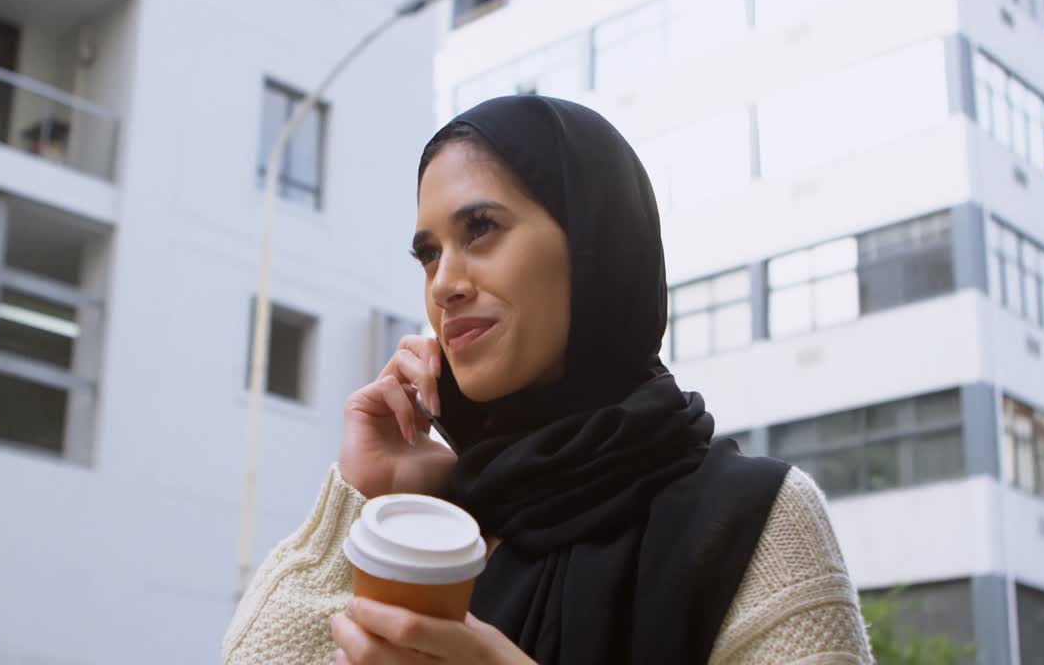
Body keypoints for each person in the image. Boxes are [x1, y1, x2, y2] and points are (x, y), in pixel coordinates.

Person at [221, 96, 873, 664]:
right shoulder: (440, 527)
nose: (443, 284)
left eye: (481, 229)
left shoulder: (750, 519)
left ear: (595, 245)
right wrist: (364, 498)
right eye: (429, 254)